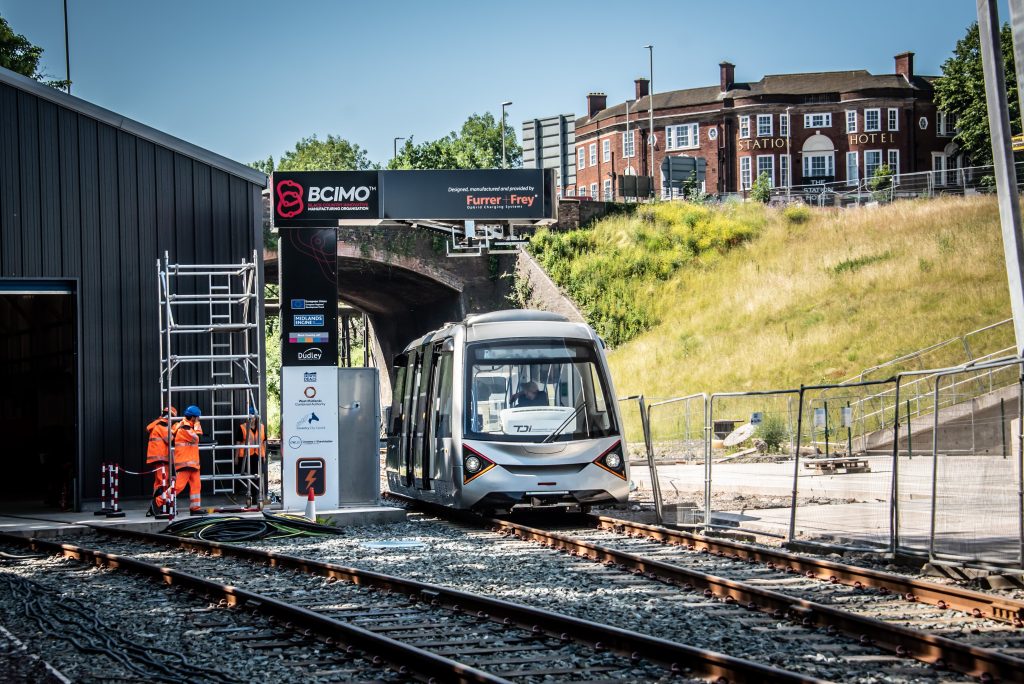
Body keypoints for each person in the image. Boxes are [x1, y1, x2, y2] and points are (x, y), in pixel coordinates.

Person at [154, 404, 205, 516]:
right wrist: (197, 426)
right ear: (193, 418)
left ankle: (195, 508)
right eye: (198, 418)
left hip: (193, 463)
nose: (199, 420)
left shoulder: (183, 426)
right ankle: (158, 501)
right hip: (185, 463)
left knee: (196, 486)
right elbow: (198, 439)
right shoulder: (185, 428)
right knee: (178, 487)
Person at [145, 406, 175, 515]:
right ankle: (158, 505)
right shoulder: (163, 426)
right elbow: (170, 439)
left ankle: (155, 506)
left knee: (158, 482)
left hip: (157, 458)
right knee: (163, 482)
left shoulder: (157, 424)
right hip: (161, 458)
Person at [236, 406, 266, 500]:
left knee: (255, 476)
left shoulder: (261, 427)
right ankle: (237, 494)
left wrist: (264, 456)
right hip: (245, 456)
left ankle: (254, 496)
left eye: (252, 416)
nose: (251, 418)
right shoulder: (242, 427)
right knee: (242, 475)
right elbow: (237, 442)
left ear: (256, 417)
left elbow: (263, 442)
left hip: (257, 455)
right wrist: (236, 457)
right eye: (249, 417)